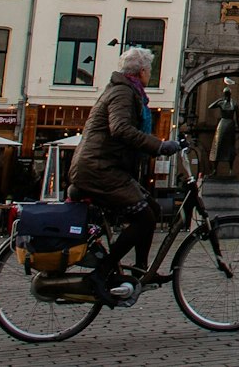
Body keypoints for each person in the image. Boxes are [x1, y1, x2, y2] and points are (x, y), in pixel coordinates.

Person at [69, 46, 182, 302]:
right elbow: (120, 129)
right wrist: (159, 146)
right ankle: (101, 273)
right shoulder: (122, 92)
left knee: (151, 209)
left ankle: (142, 271)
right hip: (98, 169)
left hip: (106, 167)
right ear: (142, 71)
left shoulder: (128, 91)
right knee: (143, 218)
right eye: (149, 69)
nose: (150, 74)